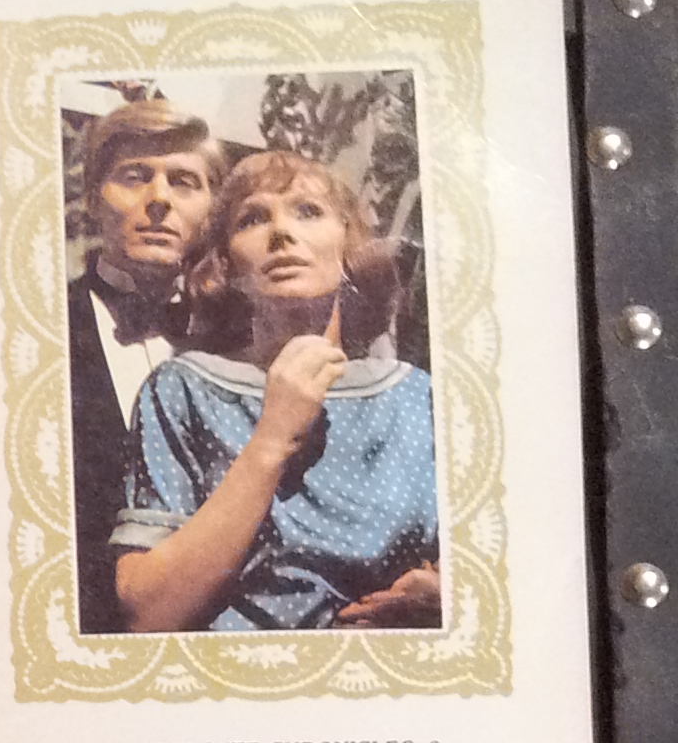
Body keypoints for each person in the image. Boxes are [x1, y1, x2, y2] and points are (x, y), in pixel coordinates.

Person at [112, 150, 440, 635]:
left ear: (348, 245)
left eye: (308, 211)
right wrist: (273, 436)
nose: (281, 232)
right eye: (253, 219)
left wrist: (446, 601)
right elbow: (148, 613)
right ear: (226, 265)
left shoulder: (416, 396)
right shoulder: (183, 390)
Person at [65, 97, 224, 631]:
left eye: (184, 181)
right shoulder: (39, 327)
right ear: (93, 199)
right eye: (135, 176)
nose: (159, 199)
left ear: (212, 210)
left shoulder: (237, 342)